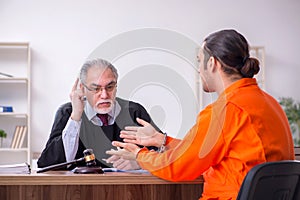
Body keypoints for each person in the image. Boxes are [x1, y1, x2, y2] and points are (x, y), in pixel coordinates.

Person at [106, 29, 295, 199]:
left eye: (199, 61)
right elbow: (206, 152)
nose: (198, 69)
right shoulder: (270, 104)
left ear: (212, 63)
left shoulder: (225, 110)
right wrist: (163, 140)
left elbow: (177, 167)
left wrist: (139, 154)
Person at [37, 58, 159, 170]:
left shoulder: (134, 111)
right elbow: (48, 164)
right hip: (80, 191)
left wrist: (140, 162)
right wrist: (76, 117)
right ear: (82, 88)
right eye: (96, 89)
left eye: (110, 87)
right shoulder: (68, 112)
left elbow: (165, 154)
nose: (104, 95)